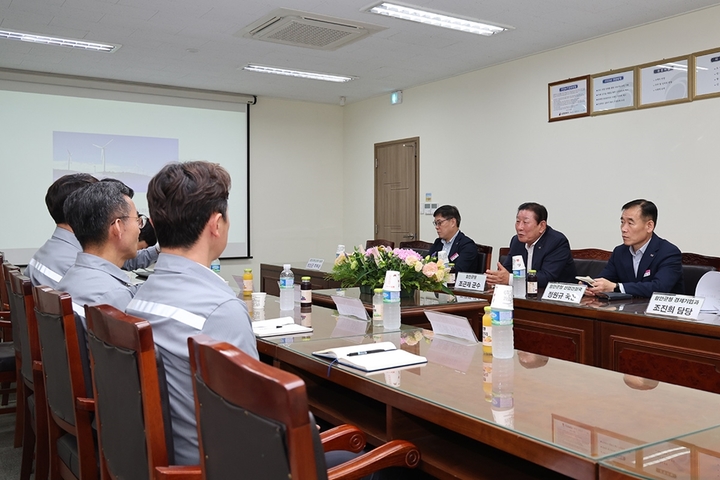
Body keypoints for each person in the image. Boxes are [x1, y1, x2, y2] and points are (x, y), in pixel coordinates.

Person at [125, 161, 258, 465]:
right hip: (214, 465)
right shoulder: (220, 312)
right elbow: (255, 422)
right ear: (216, 223)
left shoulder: (139, 297)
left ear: (156, 226)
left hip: (161, 456)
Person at [26, 174, 159, 288]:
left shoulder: (53, 250)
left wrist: (160, 248)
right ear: (79, 208)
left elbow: (122, 258)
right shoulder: (74, 266)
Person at [56, 181, 143, 325]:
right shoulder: (113, 297)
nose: (140, 229)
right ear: (118, 227)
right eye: (137, 220)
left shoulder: (72, 276)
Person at [587, 199, 683, 298]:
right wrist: (590, 286)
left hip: (659, 311)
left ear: (649, 226)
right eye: (622, 222)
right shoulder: (620, 252)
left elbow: (659, 287)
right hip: (628, 309)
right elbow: (605, 278)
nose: (623, 229)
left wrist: (616, 287)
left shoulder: (668, 252)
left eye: (630, 223)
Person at [486, 202, 576, 288]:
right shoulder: (516, 241)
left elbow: (546, 277)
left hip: (553, 299)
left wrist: (509, 279)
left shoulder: (557, 242)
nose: (519, 227)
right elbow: (507, 270)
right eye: (518, 221)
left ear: (542, 226)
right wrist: (495, 277)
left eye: (525, 222)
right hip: (524, 296)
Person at [427, 205, 480, 273]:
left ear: (453, 222)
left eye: (439, 223)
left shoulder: (467, 245)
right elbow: (427, 263)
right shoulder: (438, 242)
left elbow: (458, 271)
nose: (437, 227)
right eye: (436, 223)